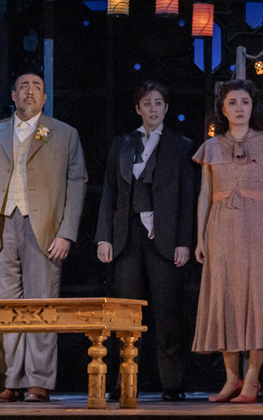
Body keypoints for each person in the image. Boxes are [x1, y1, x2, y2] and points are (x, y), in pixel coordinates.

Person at [0, 71, 87, 403]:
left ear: (44, 98)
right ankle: (10, 381)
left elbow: (77, 184)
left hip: (43, 228)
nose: (29, 92)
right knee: (6, 308)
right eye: (23, 87)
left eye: (36, 87)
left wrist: (67, 233)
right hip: (1, 227)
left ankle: (38, 382)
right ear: (13, 95)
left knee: (42, 304)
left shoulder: (64, 134)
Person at [96, 81, 196, 401]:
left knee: (168, 313)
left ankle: (172, 383)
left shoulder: (181, 145)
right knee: (126, 312)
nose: (153, 108)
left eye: (158, 103)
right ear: (138, 108)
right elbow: (110, 193)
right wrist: (104, 238)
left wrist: (184, 241)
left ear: (166, 108)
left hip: (164, 235)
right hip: (127, 236)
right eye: (147, 103)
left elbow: (187, 198)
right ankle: (124, 381)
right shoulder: (123, 143)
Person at [192, 79, 263, 404]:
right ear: (223, 109)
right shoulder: (211, 146)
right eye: (232, 102)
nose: (239, 108)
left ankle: (252, 378)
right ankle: (232, 378)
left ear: (252, 106)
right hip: (220, 226)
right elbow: (204, 194)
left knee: (257, 298)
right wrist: (200, 237)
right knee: (224, 297)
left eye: (244, 101)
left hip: (255, 224)